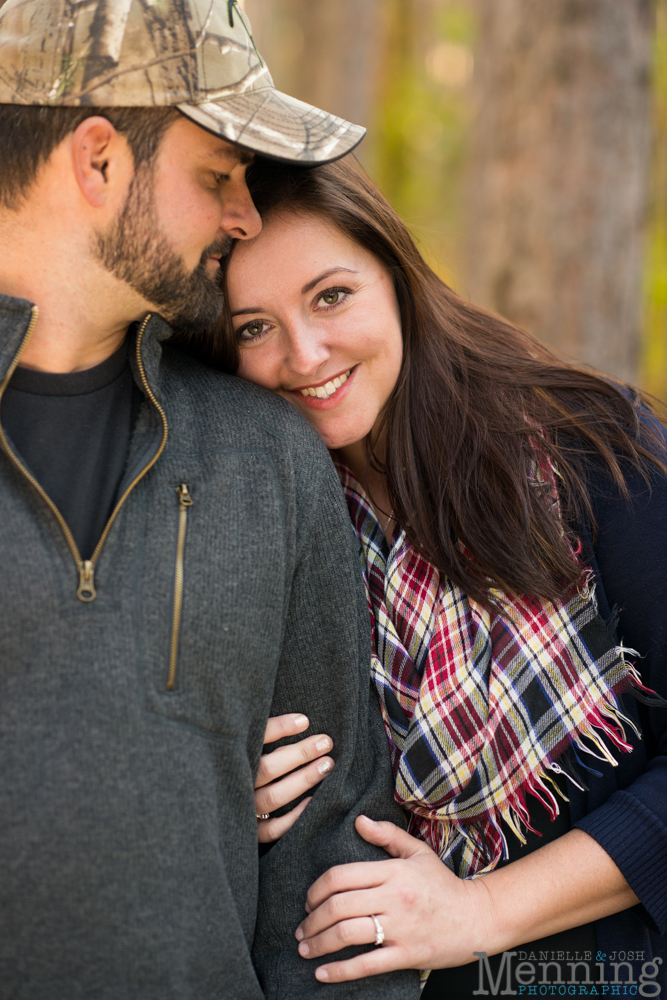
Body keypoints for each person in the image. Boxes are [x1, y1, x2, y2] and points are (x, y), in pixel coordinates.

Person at [0, 2, 421, 997]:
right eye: (216, 177)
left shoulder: (267, 457)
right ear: (98, 162)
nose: (245, 215)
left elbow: (335, 853)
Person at [217, 156, 667, 997]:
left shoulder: (592, 446)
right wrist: (219, 792)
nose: (304, 354)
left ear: (395, 276)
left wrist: (480, 911)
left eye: (330, 296)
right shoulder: (261, 531)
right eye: (253, 328)